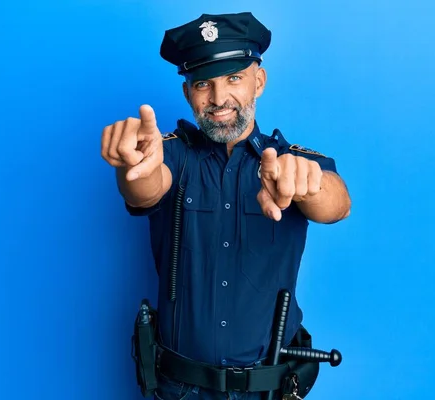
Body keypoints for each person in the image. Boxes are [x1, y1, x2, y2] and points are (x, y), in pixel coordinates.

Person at [101, 12, 351, 400]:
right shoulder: (170, 155)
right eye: (203, 84)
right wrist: (133, 166)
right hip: (179, 390)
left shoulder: (291, 161)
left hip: (268, 390)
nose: (219, 99)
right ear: (188, 94)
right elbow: (146, 188)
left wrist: (310, 186)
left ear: (259, 83)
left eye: (234, 78)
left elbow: (336, 204)